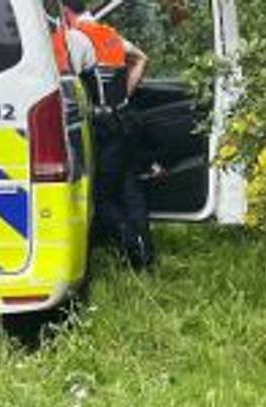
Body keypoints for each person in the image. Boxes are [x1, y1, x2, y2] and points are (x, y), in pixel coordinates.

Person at [62, 0, 155, 269]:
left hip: (102, 127)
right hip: (124, 120)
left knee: (100, 196)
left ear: (66, 13)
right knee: (130, 190)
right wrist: (122, 95)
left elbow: (65, 81)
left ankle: (127, 239)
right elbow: (141, 58)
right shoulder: (108, 33)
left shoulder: (75, 38)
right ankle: (143, 256)